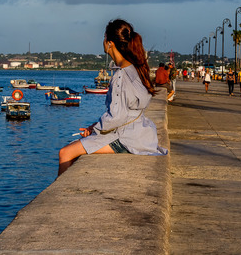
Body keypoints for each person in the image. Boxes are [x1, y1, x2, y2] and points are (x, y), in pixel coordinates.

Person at [58, 19, 167, 176]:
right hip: (141, 133)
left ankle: (62, 199)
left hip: (127, 138)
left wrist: (94, 130)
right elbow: (124, 112)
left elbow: (117, 116)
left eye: (104, 38)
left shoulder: (120, 75)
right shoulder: (135, 68)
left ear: (110, 43)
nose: (103, 42)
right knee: (76, 149)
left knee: (65, 153)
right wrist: (98, 126)